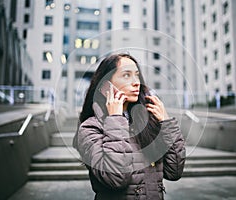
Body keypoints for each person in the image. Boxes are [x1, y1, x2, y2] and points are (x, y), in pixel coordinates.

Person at [73, 53, 186, 200]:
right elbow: (116, 179)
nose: (136, 82)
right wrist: (114, 120)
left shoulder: (147, 123)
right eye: (126, 75)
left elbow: (175, 172)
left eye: (136, 75)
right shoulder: (90, 128)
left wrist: (167, 124)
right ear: (106, 85)